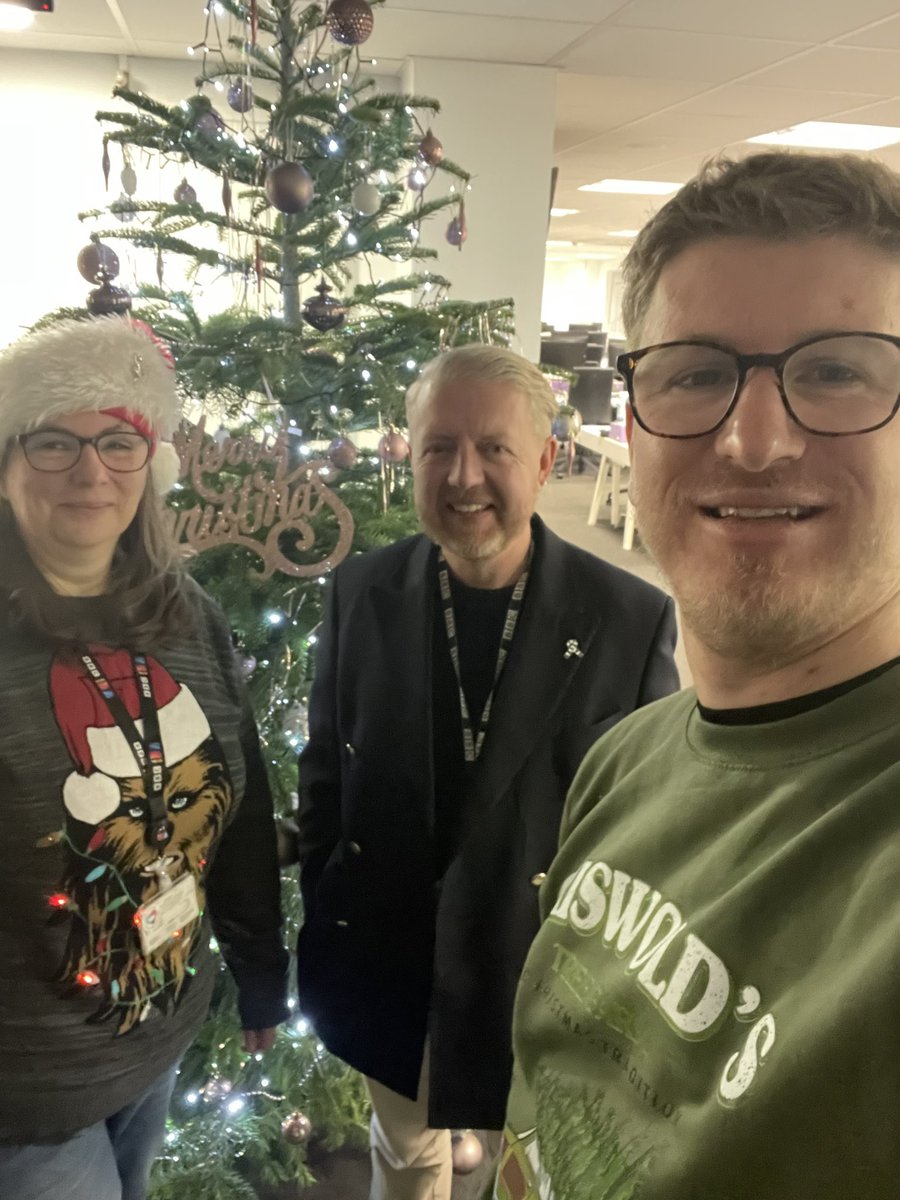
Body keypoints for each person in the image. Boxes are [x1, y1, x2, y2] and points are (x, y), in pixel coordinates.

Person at [496, 149, 900, 1200]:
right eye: (696, 372)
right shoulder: (625, 760)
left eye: (836, 369)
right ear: (631, 418)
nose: (754, 439)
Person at [295, 343, 678, 1199]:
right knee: (403, 1157)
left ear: (546, 460)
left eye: (494, 449)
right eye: (439, 448)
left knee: (545, 1175)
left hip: (545, 978)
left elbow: (655, 823)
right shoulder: (358, 593)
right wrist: (328, 887)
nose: (464, 476)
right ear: (411, 454)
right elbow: (326, 772)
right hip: (393, 961)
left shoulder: (631, 618)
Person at [0, 316, 289, 1200]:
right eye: (55, 442)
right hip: (29, 1092)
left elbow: (241, 802)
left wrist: (259, 965)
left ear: (148, 462)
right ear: (8, 463)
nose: (91, 472)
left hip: (156, 1034)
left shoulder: (187, 612)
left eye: (118, 441)